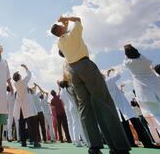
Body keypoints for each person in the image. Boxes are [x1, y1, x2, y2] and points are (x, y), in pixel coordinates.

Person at [51, 16, 130, 154]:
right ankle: (118, 146)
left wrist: (63, 25)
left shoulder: (60, 43)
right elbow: (78, 20)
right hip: (85, 65)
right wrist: (67, 18)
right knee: (104, 101)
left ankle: (94, 146)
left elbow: (66, 32)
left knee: (85, 108)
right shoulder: (72, 35)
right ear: (60, 29)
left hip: (73, 72)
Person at [105, 68, 159, 149]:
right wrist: (114, 70)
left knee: (125, 126)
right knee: (137, 124)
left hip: (117, 108)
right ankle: (147, 143)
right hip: (124, 106)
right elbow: (118, 75)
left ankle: (130, 143)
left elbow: (108, 80)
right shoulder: (109, 81)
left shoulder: (102, 84)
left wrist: (107, 75)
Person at [13, 64, 41, 148]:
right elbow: (29, 75)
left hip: (20, 108)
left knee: (21, 124)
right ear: (20, 77)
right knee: (32, 124)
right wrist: (26, 68)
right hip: (27, 106)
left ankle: (23, 142)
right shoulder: (23, 82)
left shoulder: (17, 85)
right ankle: (35, 141)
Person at [57, 80, 85, 147]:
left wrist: (58, 85)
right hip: (74, 106)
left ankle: (74, 140)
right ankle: (82, 140)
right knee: (79, 123)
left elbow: (62, 102)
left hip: (68, 107)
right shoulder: (70, 88)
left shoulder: (62, 91)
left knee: (71, 124)